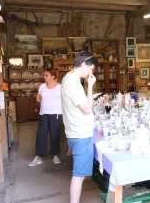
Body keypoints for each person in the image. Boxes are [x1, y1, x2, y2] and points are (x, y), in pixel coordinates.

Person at [61, 51, 101, 203]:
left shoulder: (68, 79)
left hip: (75, 131)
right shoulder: (72, 82)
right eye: (90, 68)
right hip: (80, 133)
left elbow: (81, 104)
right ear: (83, 64)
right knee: (78, 175)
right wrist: (90, 86)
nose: (91, 72)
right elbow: (88, 109)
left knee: (80, 173)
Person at [28, 68, 62, 167]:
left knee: (55, 135)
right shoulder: (42, 86)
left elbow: (64, 100)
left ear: (53, 76)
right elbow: (38, 98)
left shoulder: (60, 87)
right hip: (44, 113)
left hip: (56, 114)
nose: (44, 77)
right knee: (41, 135)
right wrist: (44, 102)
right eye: (44, 75)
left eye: (47, 75)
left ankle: (55, 156)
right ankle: (37, 157)